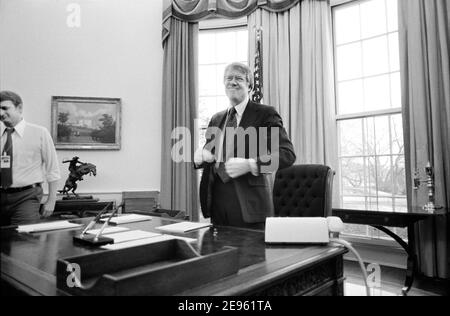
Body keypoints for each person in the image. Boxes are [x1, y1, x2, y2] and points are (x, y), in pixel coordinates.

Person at [195, 63, 296, 229]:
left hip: (250, 208)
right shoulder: (216, 119)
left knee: (251, 255)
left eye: (239, 78)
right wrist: (200, 158)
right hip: (217, 207)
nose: (232, 82)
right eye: (229, 78)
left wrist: (251, 165)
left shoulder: (265, 114)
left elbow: (287, 155)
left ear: (250, 86)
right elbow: (210, 156)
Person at [0, 91, 61, 226]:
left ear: (19, 108)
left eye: (5, 108)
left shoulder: (39, 133)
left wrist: (51, 200)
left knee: (24, 242)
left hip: (26, 196)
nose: (0, 113)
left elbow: (53, 169)